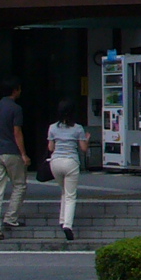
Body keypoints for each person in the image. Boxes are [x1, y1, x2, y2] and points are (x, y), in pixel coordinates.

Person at [0, 76, 30, 242]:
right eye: (19, 89)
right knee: (19, 184)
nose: (20, 91)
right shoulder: (16, 108)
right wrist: (24, 154)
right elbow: (17, 132)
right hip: (11, 151)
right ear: (15, 90)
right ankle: (11, 218)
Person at [45, 98, 89, 243]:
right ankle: (67, 225)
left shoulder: (52, 128)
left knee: (64, 190)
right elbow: (83, 149)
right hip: (71, 162)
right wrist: (86, 139)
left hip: (55, 162)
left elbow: (50, 148)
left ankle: (62, 218)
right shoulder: (78, 128)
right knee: (70, 195)